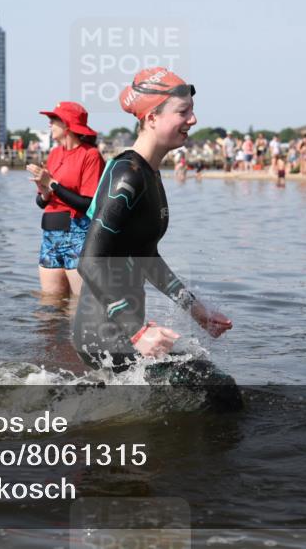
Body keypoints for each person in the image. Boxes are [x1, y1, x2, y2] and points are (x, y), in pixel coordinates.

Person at [72, 67, 235, 389]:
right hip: (104, 333)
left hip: (122, 329)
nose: (193, 119)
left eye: (192, 110)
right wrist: (137, 330)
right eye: (183, 111)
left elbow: (147, 257)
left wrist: (196, 310)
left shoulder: (149, 173)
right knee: (219, 391)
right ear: (151, 118)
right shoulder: (127, 174)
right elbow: (89, 261)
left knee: (203, 385)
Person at [27, 101, 105, 297]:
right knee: (50, 305)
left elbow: (89, 205)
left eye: (54, 120)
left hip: (78, 235)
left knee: (80, 305)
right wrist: (44, 192)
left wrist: (52, 184)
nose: (49, 124)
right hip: (50, 235)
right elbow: (41, 203)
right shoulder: (54, 154)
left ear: (68, 125)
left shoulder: (91, 155)